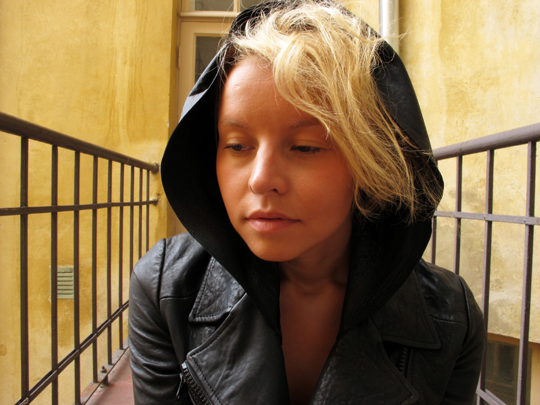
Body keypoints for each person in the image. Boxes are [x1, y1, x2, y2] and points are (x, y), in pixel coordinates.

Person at [129, 1, 485, 404]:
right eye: (237, 145)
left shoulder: (452, 319)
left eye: (305, 147)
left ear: (370, 163)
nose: (261, 179)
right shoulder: (165, 288)